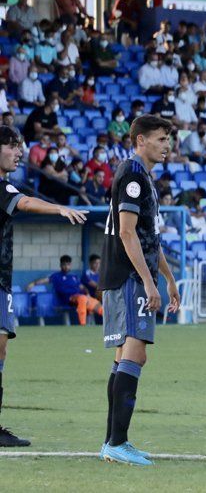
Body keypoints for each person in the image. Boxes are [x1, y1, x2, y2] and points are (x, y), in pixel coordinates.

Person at [98, 116, 181, 465]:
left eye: (168, 140)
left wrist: (169, 277)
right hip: (130, 278)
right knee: (135, 354)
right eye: (161, 139)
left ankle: (113, 442)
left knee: (123, 358)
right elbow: (127, 233)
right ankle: (117, 442)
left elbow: (150, 237)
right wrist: (149, 282)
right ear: (140, 140)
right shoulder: (132, 175)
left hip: (129, 276)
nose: (167, 145)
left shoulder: (143, 176)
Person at [0, 126, 88, 447]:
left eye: (21, 147)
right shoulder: (1, 188)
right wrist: (58, 208)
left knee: (1, 349)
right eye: (12, 146)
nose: (19, 153)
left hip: (3, 281)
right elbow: (24, 204)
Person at [28, 255, 104, 326]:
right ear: (60, 265)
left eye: (68, 265)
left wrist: (87, 294)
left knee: (95, 302)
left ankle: (111, 321)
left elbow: (82, 287)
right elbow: (45, 280)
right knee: (83, 299)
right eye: (64, 264)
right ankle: (83, 325)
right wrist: (33, 283)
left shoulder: (73, 277)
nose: (66, 267)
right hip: (67, 300)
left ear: (70, 265)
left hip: (78, 298)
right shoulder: (56, 276)